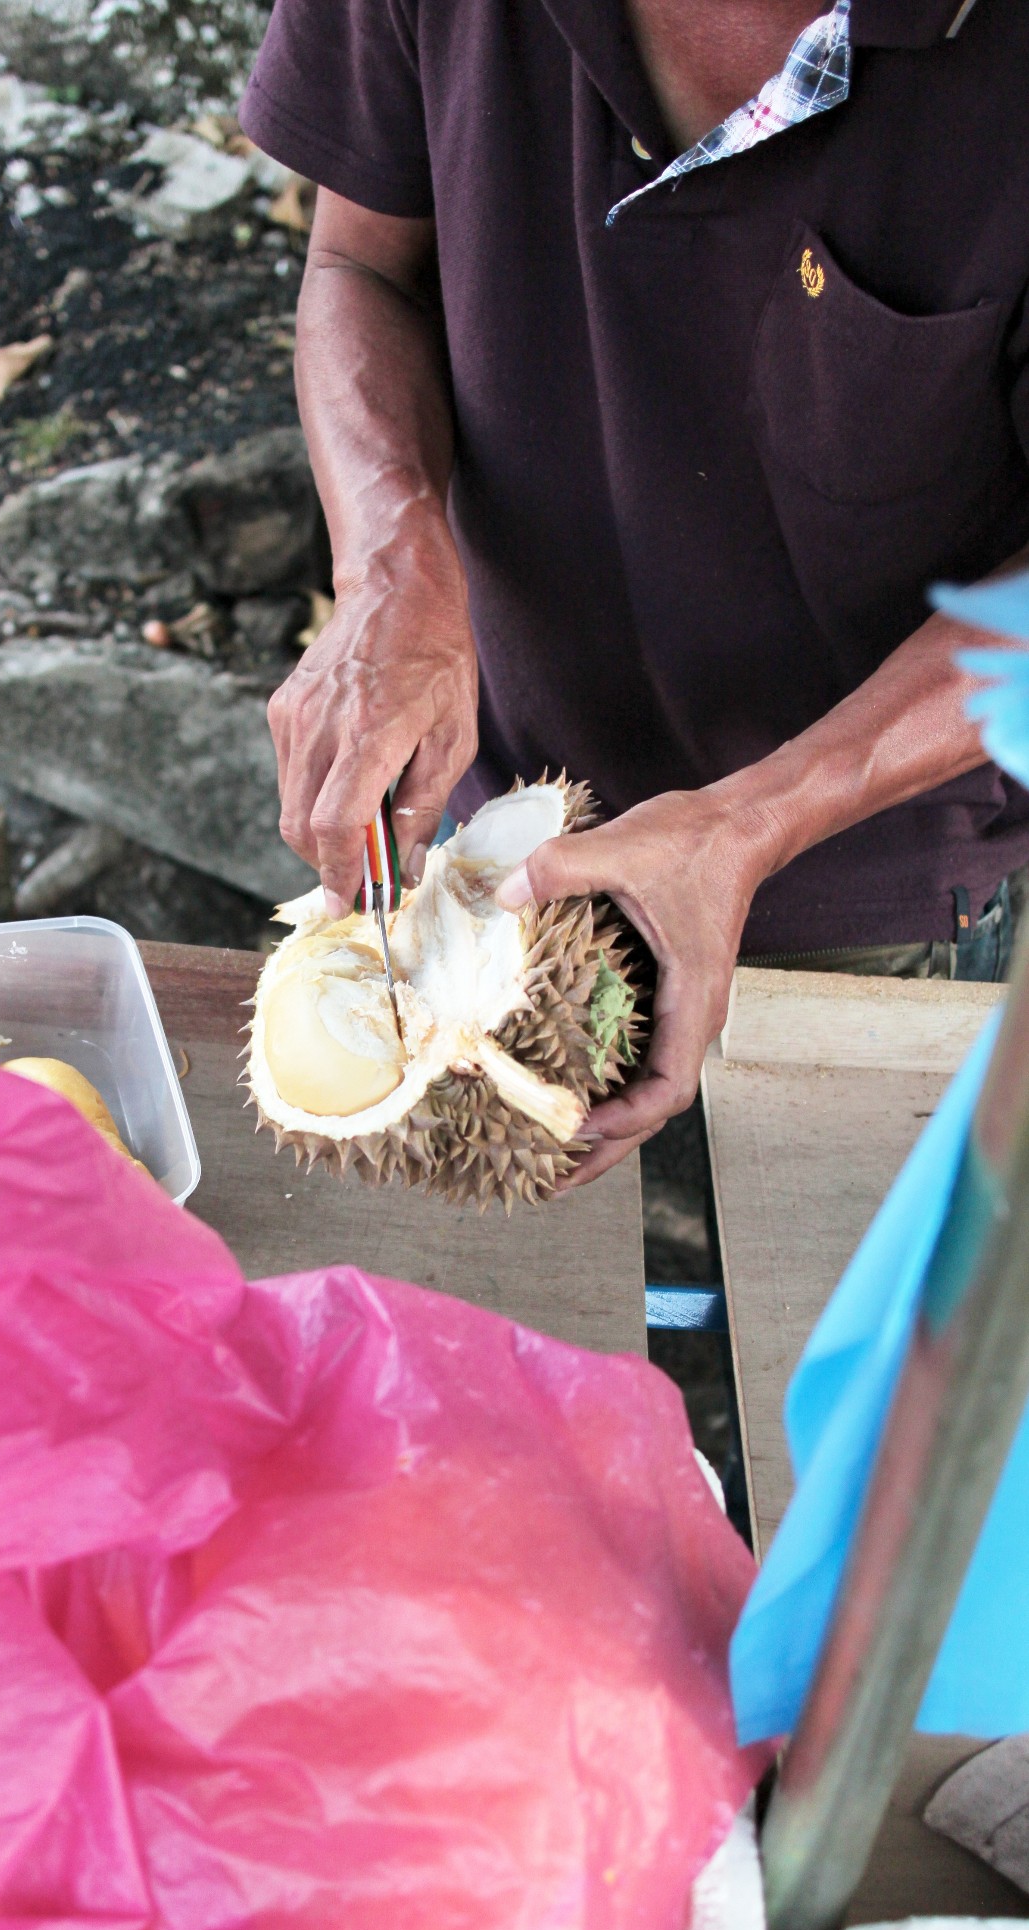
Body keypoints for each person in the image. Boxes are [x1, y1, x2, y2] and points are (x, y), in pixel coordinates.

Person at [238, 0, 1029, 1183]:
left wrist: (752, 820)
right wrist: (393, 560)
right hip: (500, 830)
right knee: (538, 1314)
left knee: (812, 1328)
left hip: (880, 878)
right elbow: (361, 262)